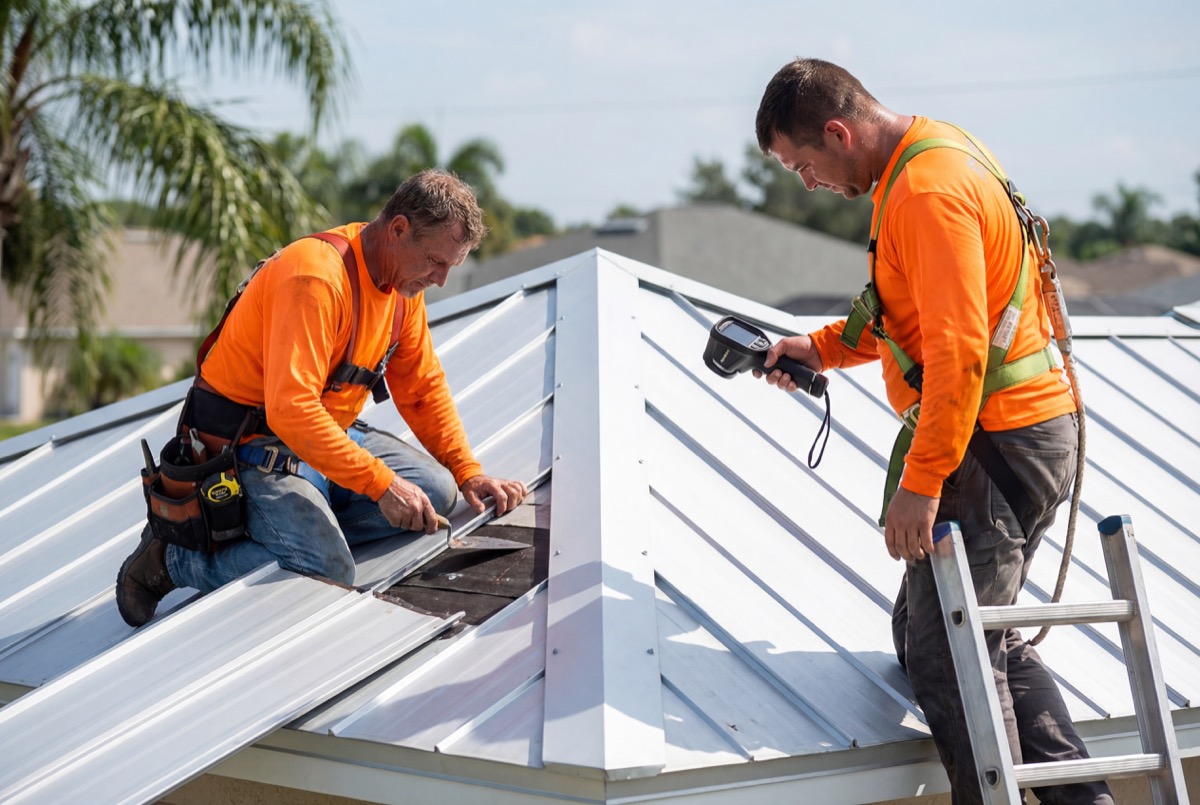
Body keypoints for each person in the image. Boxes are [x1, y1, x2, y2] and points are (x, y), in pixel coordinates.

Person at [753, 59, 1112, 805]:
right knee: (954, 632)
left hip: (998, 438)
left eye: (803, 164)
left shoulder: (926, 192)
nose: (807, 183)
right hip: (1017, 433)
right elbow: (907, 318)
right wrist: (817, 349)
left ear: (837, 131)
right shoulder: (933, 154)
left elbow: (959, 354)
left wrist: (920, 484)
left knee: (950, 652)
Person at [117, 169, 528, 627]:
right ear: (398, 230)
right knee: (327, 569)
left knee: (438, 492)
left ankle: (299, 524)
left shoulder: (401, 289)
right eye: (436, 261)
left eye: (450, 266)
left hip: (322, 437)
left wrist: (468, 472)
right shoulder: (317, 277)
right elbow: (291, 411)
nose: (442, 279)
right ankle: (172, 560)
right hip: (249, 448)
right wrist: (381, 485)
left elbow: (422, 387)